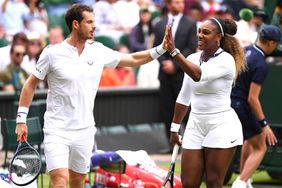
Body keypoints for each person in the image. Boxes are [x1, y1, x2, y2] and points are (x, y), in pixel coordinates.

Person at [15, 4, 167, 188]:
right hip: (56, 130)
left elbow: (133, 59)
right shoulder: (52, 53)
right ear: (75, 24)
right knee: (60, 182)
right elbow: (30, 84)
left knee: (78, 182)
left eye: (94, 21)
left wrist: (161, 49)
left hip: (85, 131)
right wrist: (21, 119)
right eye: (89, 22)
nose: (94, 26)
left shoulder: (98, 50)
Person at [163, 17, 246, 187]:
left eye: (206, 32)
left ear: (218, 38)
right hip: (195, 125)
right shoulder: (192, 58)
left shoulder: (226, 60)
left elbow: (198, 75)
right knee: (189, 183)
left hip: (221, 126)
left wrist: (174, 52)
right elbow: (184, 95)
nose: (200, 35)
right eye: (199, 31)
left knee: (213, 182)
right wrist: (174, 128)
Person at [230, 25, 279, 188]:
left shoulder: (246, 50)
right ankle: (241, 181)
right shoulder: (261, 64)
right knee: (260, 146)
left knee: (249, 141)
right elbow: (252, 98)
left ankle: (245, 178)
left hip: (231, 101)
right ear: (271, 43)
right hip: (241, 105)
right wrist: (264, 124)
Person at [153, 0, 197, 152]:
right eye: (177, 2)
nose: (180, 5)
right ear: (169, 4)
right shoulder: (159, 24)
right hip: (165, 74)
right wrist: (164, 62)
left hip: (181, 74)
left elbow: (191, 47)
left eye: (181, 3)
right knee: (167, 110)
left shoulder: (191, 23)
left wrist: (175, 64)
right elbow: (156, 47)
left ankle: (190, 143)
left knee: (185, 109)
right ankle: (171, 144)